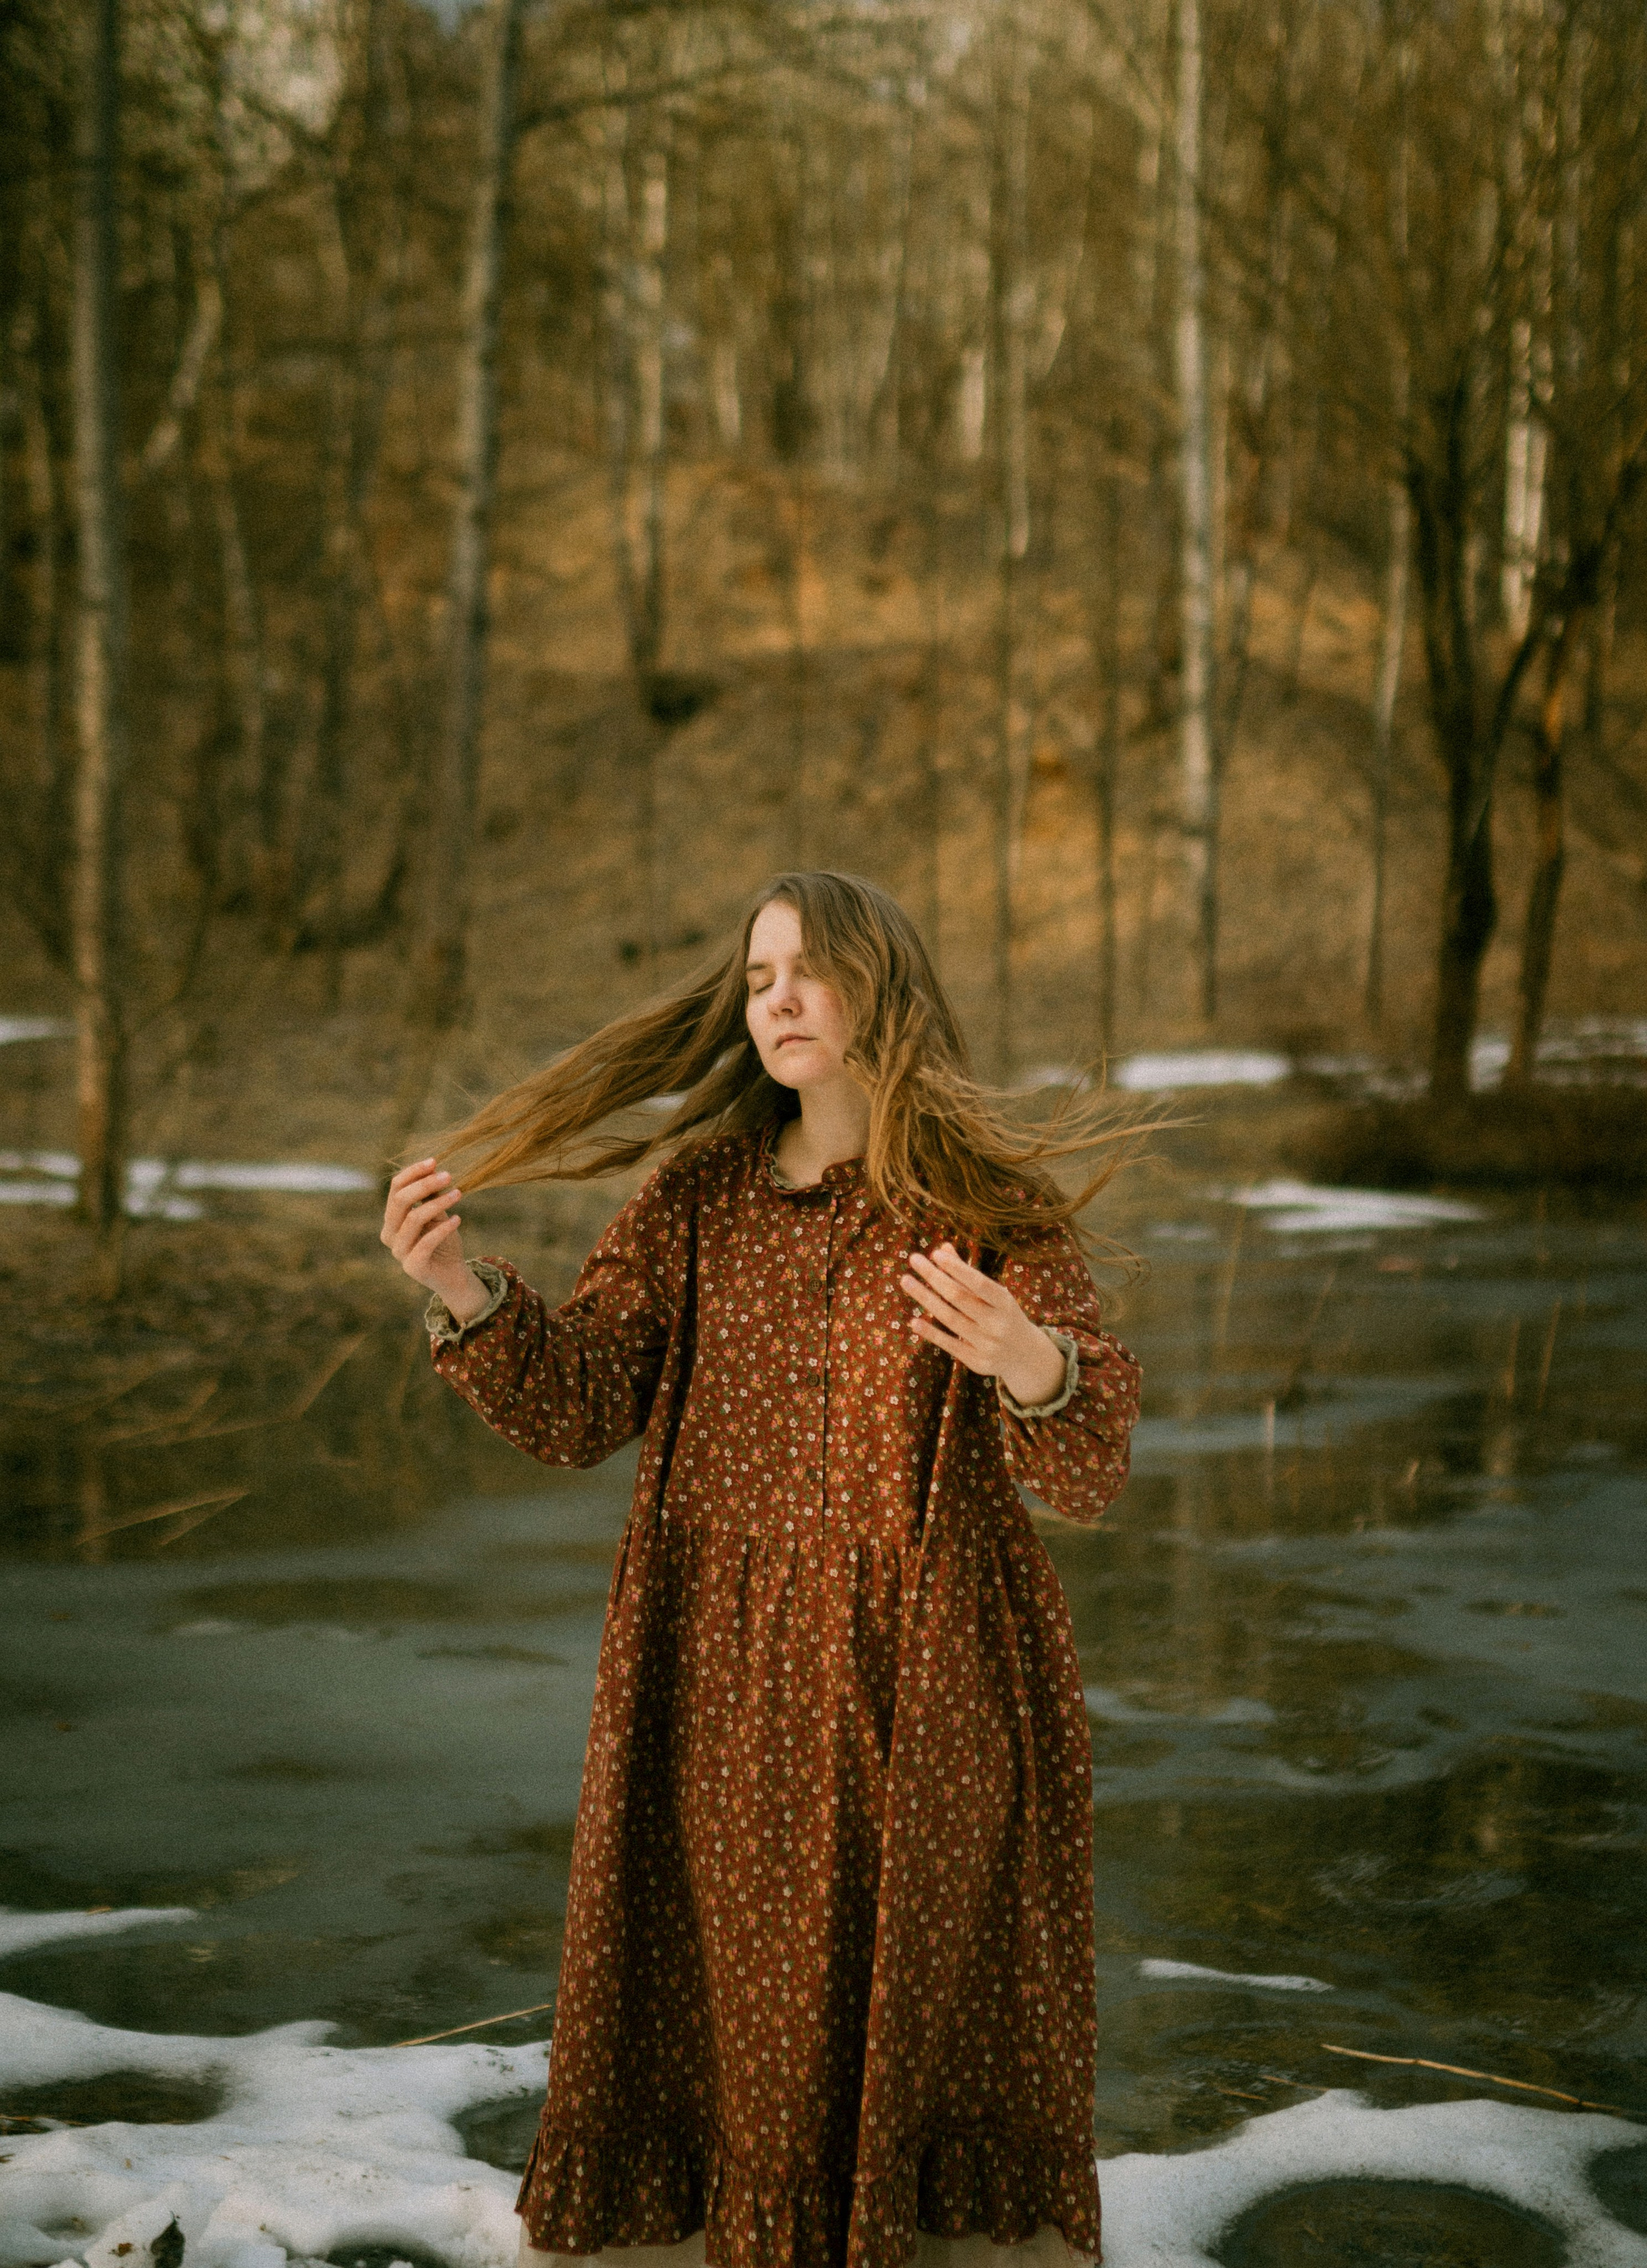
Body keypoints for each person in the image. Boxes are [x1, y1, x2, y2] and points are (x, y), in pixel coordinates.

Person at [380, 871, 1142, 2268]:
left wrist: (1030, 1361)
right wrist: (463, 1290)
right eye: (755, 977)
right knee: (730, 2007)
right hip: (711, 1680)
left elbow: (1088, 1466)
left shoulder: (986, 1207)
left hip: (926, 1682)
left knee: (912, 2006)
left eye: (807, 969)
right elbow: (580, 1401)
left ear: (882, 987)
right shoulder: (694, 1201)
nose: (777, 998)